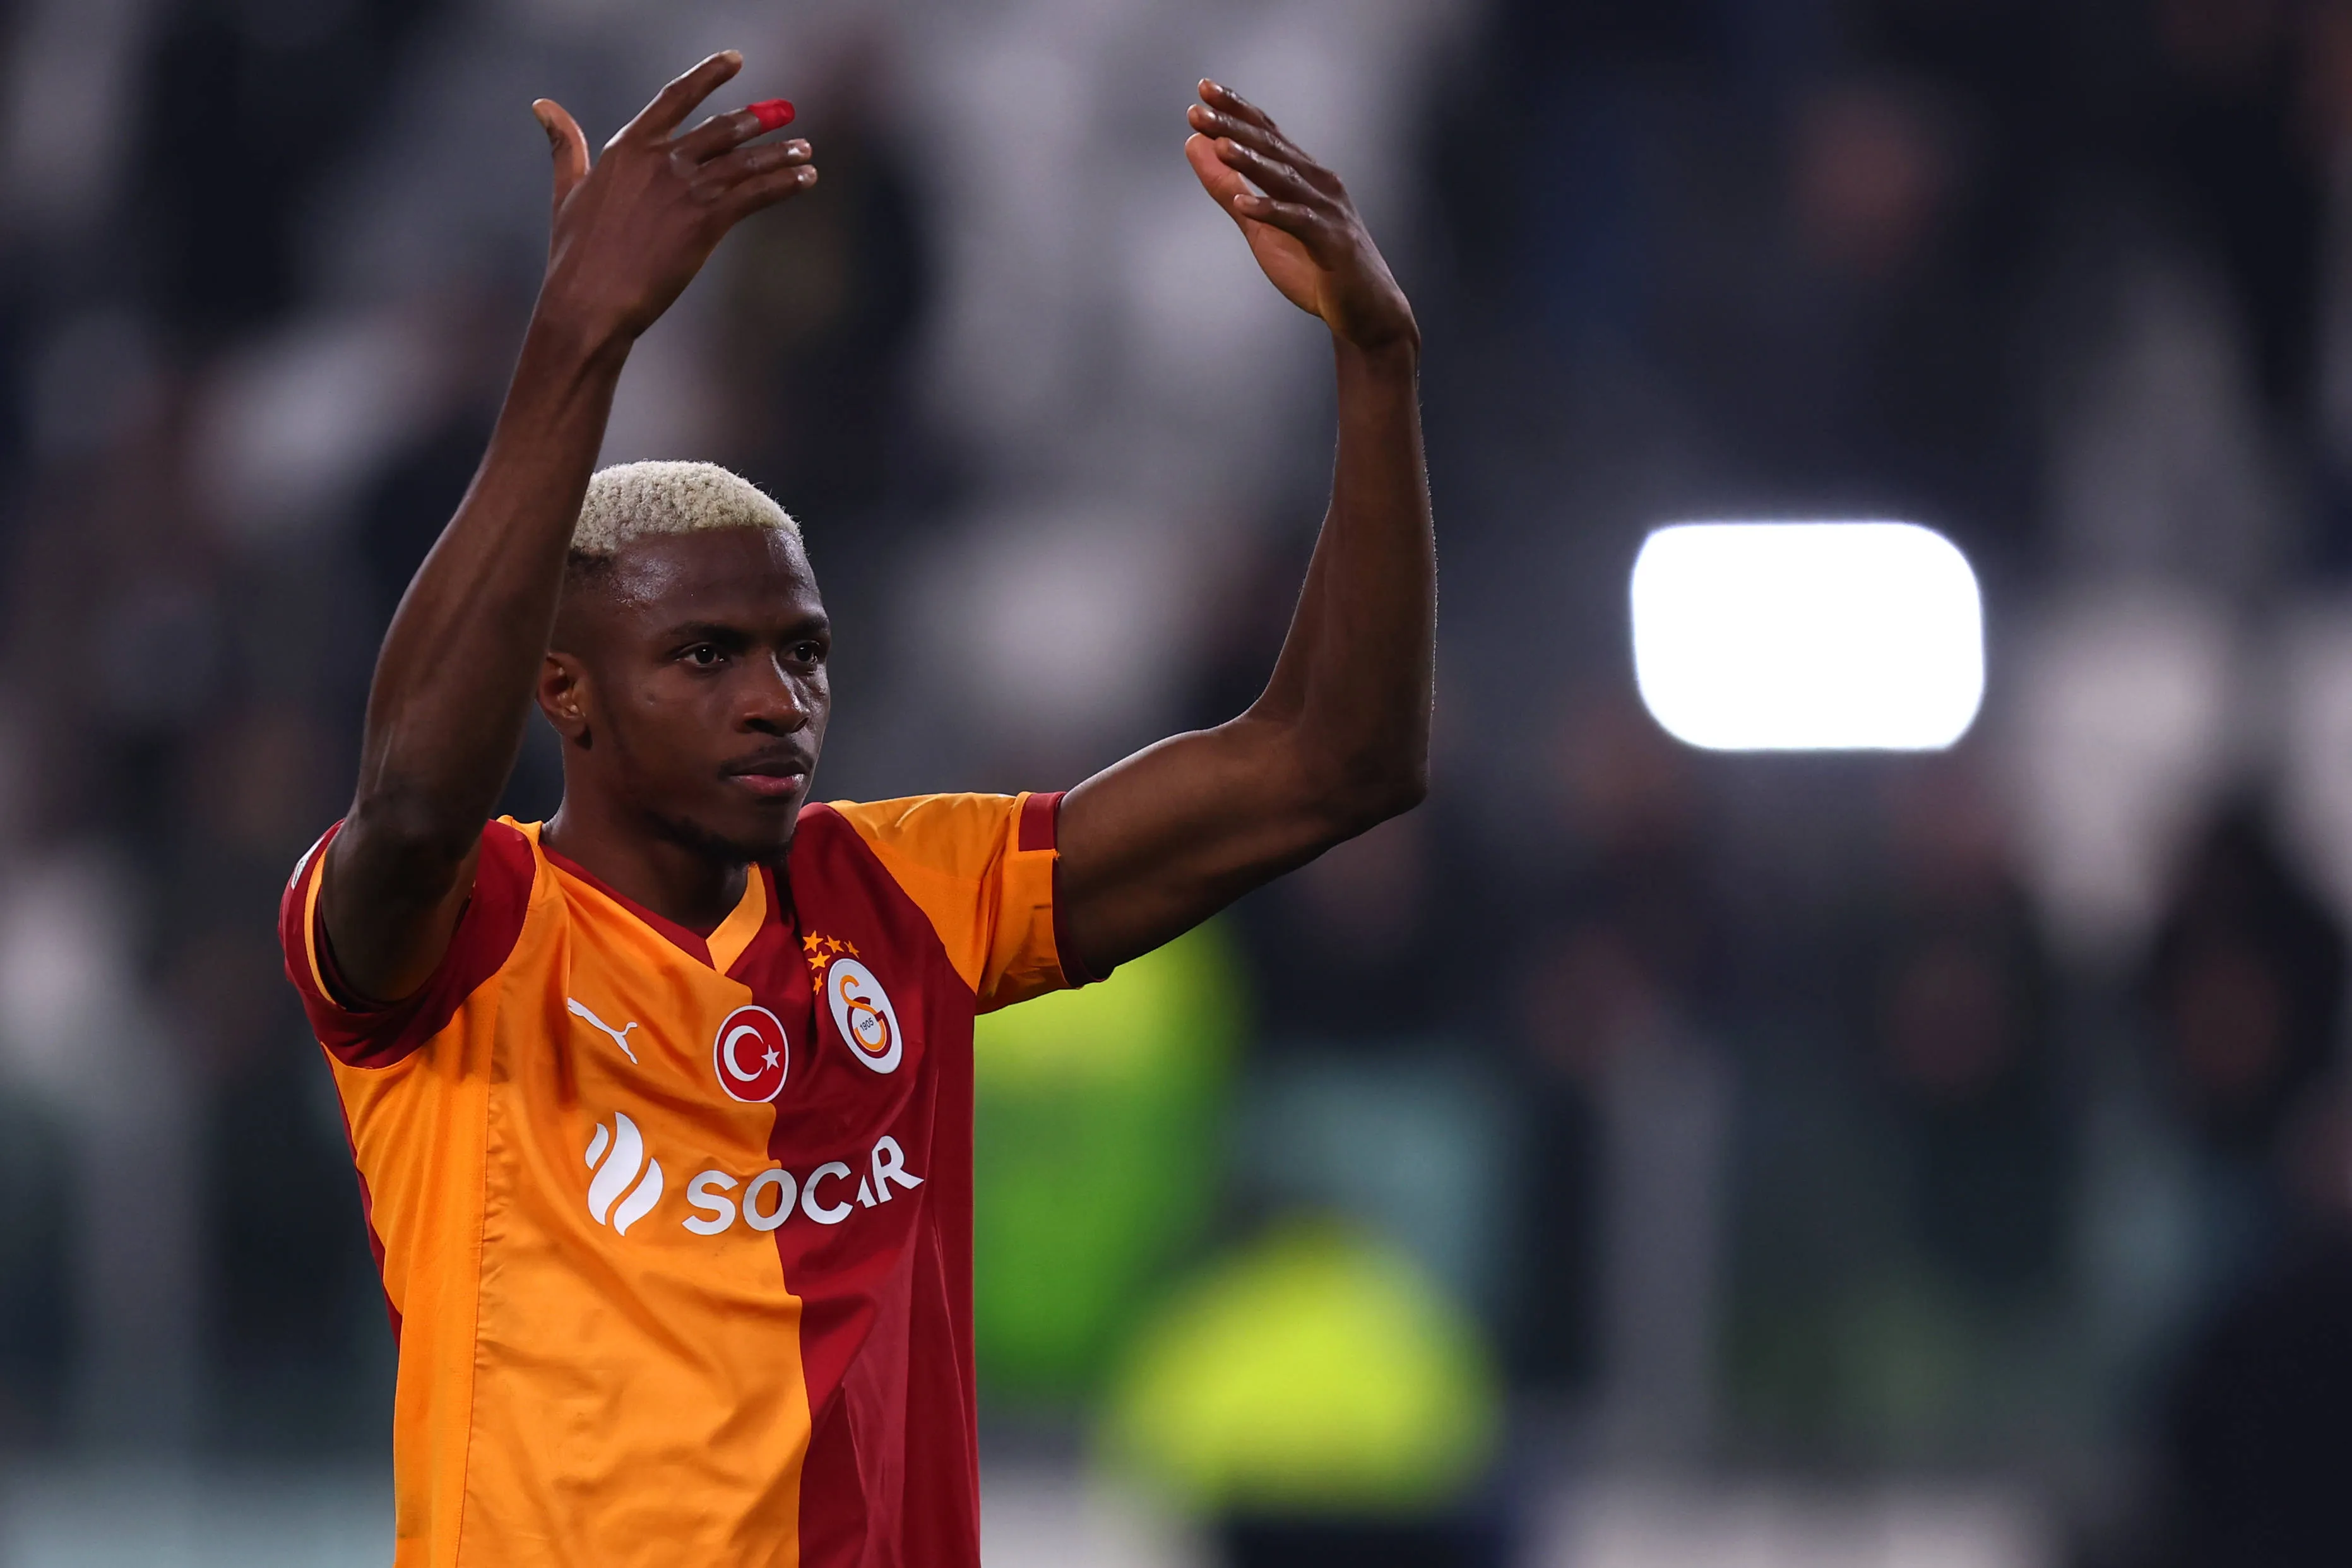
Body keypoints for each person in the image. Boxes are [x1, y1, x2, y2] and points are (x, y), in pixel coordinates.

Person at [275, 50, 1433, 1568]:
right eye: (707, 657)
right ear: (565, 693)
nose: (779, 700)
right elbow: (415, 802)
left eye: (802, 652)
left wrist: (1377, 359)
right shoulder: (471, 941)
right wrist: (580, 335)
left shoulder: (906, 895)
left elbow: (1339, 761)